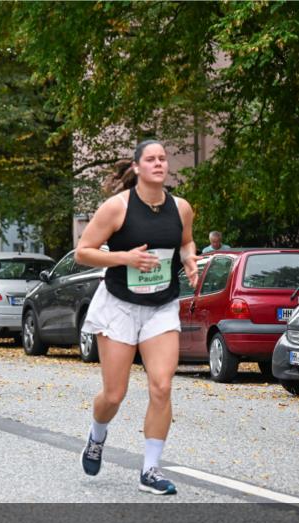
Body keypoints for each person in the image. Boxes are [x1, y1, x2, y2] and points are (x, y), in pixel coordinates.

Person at [75, 139, 199, 495]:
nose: (159, 163)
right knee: (114, 395)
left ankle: (150, 470)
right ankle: (97, 436)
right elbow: (83, 252)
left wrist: (189, 258)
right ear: (137, 167)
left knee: (162, 385)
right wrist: (125, 258)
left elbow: (186, 242)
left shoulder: (181, 208)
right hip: (119, 306)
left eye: (163, 158)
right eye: (151, 159)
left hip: (161, 306)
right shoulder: (117, 207)